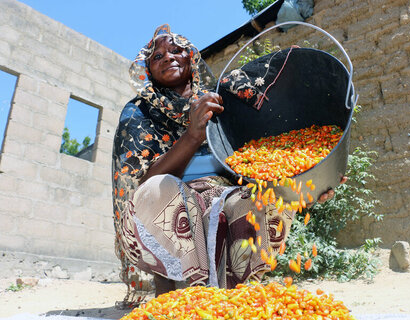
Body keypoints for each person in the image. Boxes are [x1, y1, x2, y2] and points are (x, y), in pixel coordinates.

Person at [111, 24, 341, 304]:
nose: (168, 57)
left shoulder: (223, 103)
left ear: (191, 57)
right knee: (160, 188)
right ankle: (184, 292)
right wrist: (193, 135)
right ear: (146, 70)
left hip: (226, 201)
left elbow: (262, 169)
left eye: (176, 50)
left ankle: (235, 296)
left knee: (269, 198)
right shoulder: (139, 112)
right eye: (157, 56)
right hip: (167, 213)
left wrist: (310, 186)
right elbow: (141, 186)